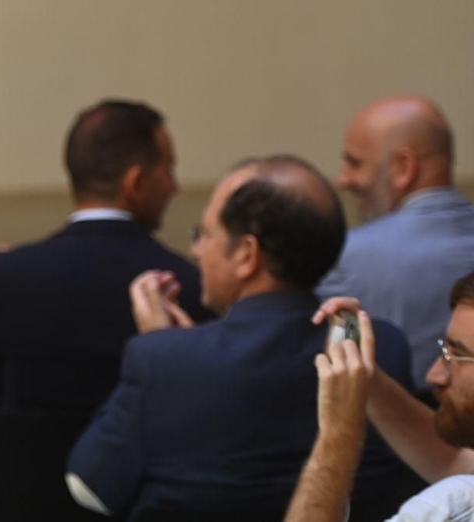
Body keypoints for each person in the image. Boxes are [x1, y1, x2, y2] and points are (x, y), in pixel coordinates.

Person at [66, 155, 417, 518]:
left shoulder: (162, 358)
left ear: (247, 255)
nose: (195, 250)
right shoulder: (378, 346)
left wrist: (164, 349)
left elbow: (89, 487)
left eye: (203, 234)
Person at [0, 99, 207, 430]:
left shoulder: (2, 277)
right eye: (168, 170)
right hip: (133, 482)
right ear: (136, 182)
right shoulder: (182, 285)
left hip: (22, 481)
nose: (175, 187)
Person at [284, 274, 474, 522]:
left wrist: (338, 431)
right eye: (444, 350)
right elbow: (455, 459)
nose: (434, 375)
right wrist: (368, 379)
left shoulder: (450, 507)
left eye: (457, 356)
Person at [320, 97, 474, 393]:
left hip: (388, 433)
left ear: (404, 167)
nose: (343, 180)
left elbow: (335, 371)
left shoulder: (347, 256)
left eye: (354, 163)